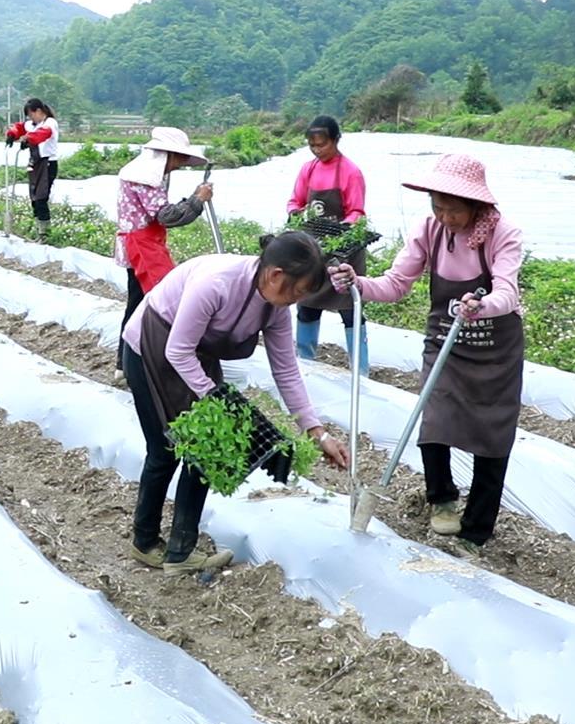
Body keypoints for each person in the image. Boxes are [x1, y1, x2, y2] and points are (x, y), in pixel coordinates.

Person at [120, 232, 350, 574]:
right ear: (275, 275)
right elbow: (177, 351)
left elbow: (286, 370)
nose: (295, 301)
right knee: (163, 451)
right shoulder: (216, 284)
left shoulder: (274, 308)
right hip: (152, 346)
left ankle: (180, 553)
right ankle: (145, 542)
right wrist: (215, 397)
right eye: (297, 292)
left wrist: (316, 433)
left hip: (195, 356)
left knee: (210, 449)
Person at [332, 153, 524, 549]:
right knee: (433, 417)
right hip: (444, 340)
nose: (445, 217)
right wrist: (359, 284)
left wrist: (481, 305)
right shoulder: (429, 230)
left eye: (454, 210)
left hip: (495, 351)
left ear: (477, 206)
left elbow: (506, 291)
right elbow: (396, 283)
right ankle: (442, 500)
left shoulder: (504, 233)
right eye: (438, 207)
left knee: (493, 435)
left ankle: (477, 530)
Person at [113, 126, 213, 369]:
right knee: (161, 301)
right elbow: (166, 216)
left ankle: (125, 363)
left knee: (138, 302)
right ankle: (144, 360)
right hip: (142, 246)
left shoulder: (144, 173)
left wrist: (194, 198)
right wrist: (197, 200)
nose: (180, 163)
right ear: (165, 154)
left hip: (142, 242)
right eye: (178, 157)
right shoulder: (144, 178)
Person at [286, 115, 369, 370]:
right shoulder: (308, 169)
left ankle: (360, 369)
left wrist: (346, 226)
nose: (317, 149)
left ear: (336, 140)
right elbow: (295, 202)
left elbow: (356, 211)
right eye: (312, 145)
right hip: (314, 250)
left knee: (350, 310)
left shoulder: (350, 172)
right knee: (307, 307)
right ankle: (306, 364)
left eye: (322, 144)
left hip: (344, 253)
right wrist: (296, 214)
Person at [5, 98, 60, 240]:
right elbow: (20, 127)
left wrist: (27, 140)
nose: (30, 118)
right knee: (34, 198)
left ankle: (45, 234)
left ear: (39, 111)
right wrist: (12, 134)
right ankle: (39, 231)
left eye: (31, 114)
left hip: (47, 164)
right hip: (35, 163)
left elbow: (42, 134)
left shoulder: (50, 123)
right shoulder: (31, 124)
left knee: (41, 198)